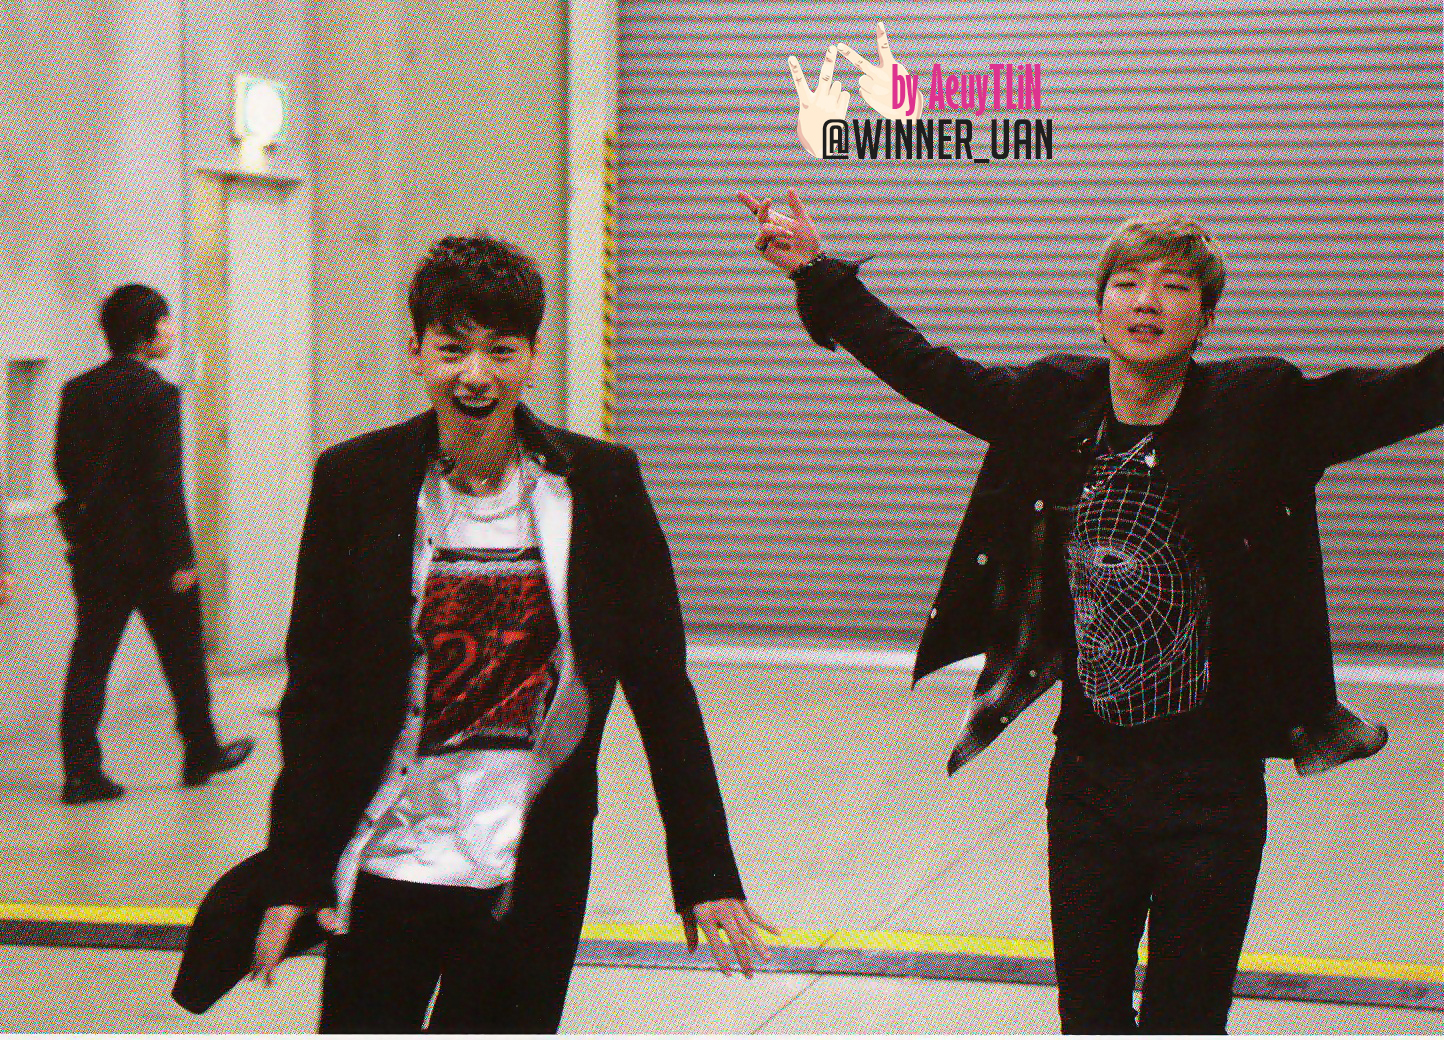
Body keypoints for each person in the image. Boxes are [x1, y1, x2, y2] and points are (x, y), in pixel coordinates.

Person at [742, 192, 1443, 1033]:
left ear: (1206, 320)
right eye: (1128, 283)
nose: (1148, 302)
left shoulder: (1261, 410)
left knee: (1186, 1022)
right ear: (1098, 308)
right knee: (1089, 1021)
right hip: (1087, 780)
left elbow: (1412, 395)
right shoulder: (1054, 402)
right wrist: (818, 274)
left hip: (1213, 787)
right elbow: (928, 370)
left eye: (1176, 287)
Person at [239, 235, 774, 1032]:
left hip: (532, 871)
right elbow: (314, 693)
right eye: (452, 348)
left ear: (532, 357)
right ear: (416, 353)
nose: (475, 374)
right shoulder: (356, 481)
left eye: (500, 349)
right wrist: (295, 869)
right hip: (387, 862)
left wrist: (706, 870)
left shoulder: (602, 487)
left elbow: (663, 690)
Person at [53, 284, 252, 806]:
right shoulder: (157, 394)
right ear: (145, 331)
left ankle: (80, 772)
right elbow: (165, 483)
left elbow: (64, 469)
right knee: (183, 651)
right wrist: (182, 557)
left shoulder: (77, 391)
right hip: (151, 555)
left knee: (91, 657)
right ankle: (200, 751)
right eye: (164, 320)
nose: (171, 329)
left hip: (97, 551)